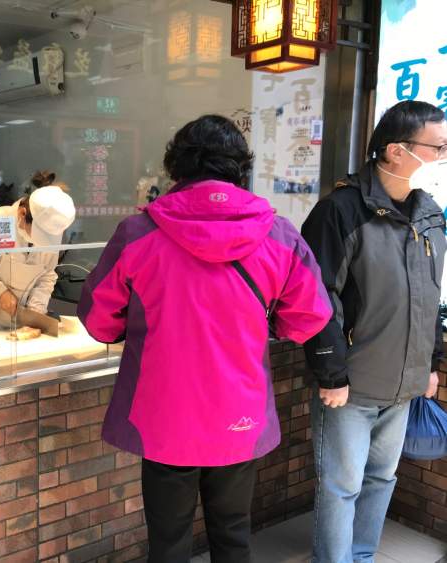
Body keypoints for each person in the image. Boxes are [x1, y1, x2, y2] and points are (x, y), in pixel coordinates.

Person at [78, 115, 332, 563]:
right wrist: (269, 324)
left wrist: (130, 327)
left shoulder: (138, 234)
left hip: (163, 413)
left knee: (168, 542)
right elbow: (309, 317)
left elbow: (99, 319)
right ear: (240, 167)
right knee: (233, 538)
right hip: (239, 412)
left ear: (176, 166)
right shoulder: (278, 235)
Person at [301, 100, 447, 563]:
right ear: (396, 151)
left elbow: (429, 295)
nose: (442, 158)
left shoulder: (428, 213)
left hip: (404, 385)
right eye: (438, 147)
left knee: (382, 478)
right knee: (341, 485)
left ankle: (361, 556)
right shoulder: (341, 211)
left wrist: (430, 365)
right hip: (352, 386)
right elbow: (317, 298)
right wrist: (331, 374)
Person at [0, 185, 76, 330]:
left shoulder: (51, 235)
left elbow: (47, 275)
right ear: (23, 213)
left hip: (17, 327)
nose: (40, 242)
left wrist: (36, 310)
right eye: (39, 234)